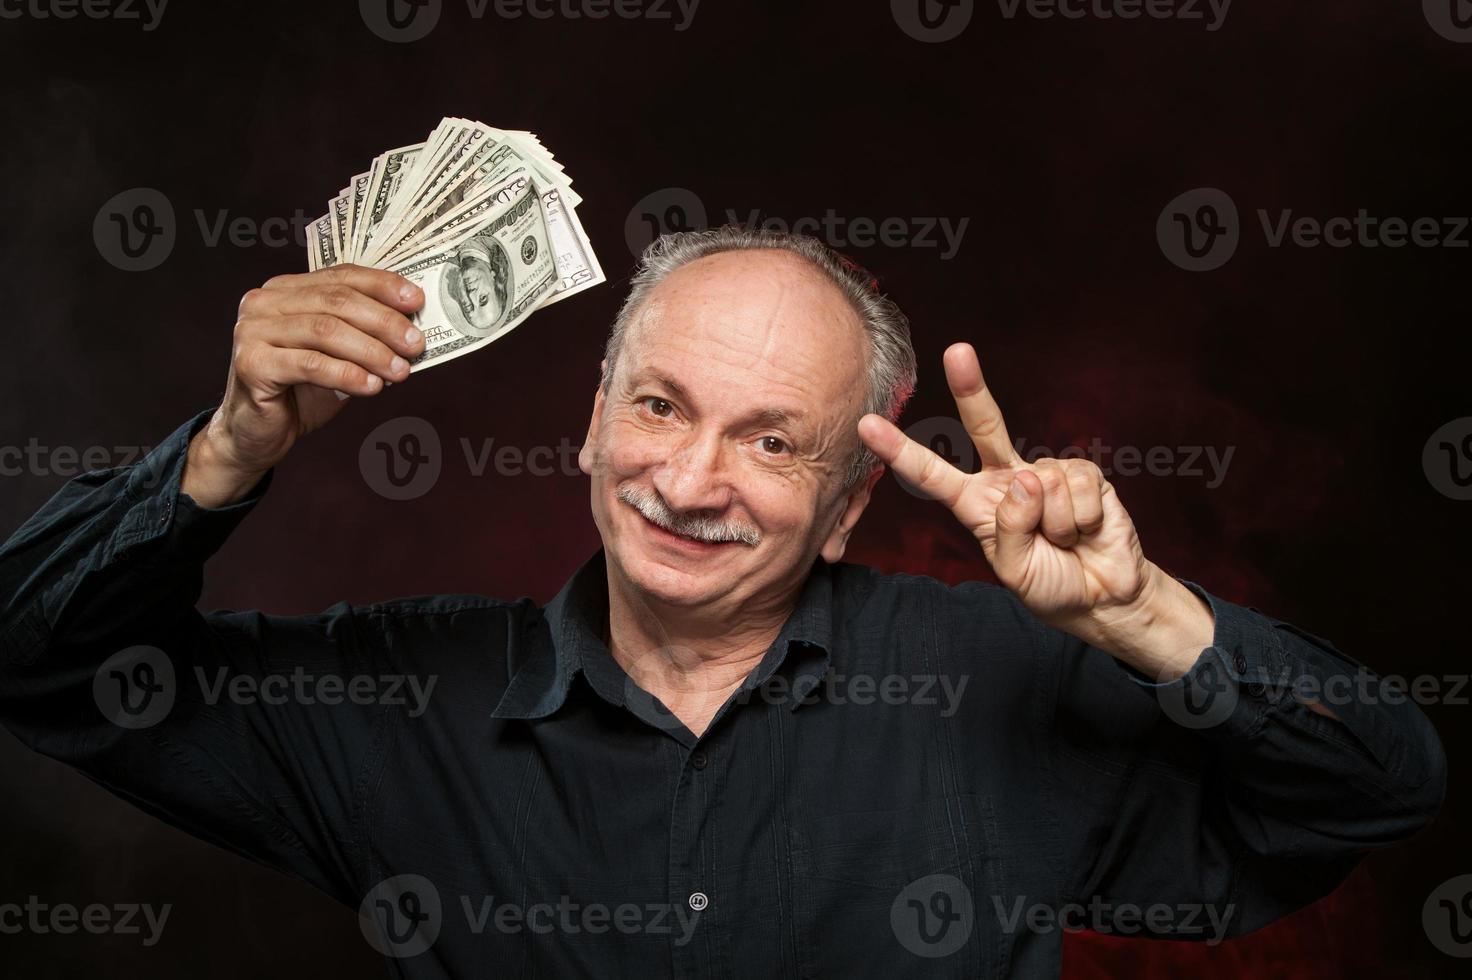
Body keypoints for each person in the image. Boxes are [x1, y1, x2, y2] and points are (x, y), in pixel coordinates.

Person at [0, 226, 1445, 977]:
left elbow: (1372, 792)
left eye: (770, 441)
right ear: (590, 423)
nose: (690, 480)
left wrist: (1148, 623)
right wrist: (227, 453)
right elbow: (38, 663)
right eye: (659, 405)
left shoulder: (992, 687)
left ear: (849, 502)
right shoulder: (401, 705)